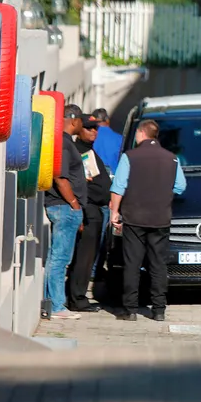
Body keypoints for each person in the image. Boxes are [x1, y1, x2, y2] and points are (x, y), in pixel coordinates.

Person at [110, 119, 187, 322]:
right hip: (161, 218)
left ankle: (131, 310)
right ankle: (159, 309)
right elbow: (180, 186)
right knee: (158, 264)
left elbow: (118, 187)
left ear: (142, 134)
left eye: (137, 134)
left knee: (132, 264)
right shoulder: (172, 158)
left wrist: (114, 212)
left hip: (134, 217)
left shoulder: (130, 157)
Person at [43, 104, 88, 320]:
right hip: (64, 206)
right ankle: (58, 306)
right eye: (82, 121)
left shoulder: (66, 143)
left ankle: (51, 303)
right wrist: (74, 203)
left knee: (58, 257)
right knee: (60, 258)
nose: (83, 124)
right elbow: (60, 177)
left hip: (65, 207)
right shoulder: (63, 143)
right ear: (74, 120)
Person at [67, 116, 111, 312]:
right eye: (89, 128)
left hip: (95, 211)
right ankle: (77, 299)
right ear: (79, 128)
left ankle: (79, 295)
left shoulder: (89, 151)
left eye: (96, 128)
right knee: (83, 258)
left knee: (88, 257)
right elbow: (79, 184)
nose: (94, 131)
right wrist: (81, 212)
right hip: (88, 211)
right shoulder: (78, 151)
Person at [89, 108, 120, 280]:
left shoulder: (90, 137)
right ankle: (98, 267)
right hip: (111, 189)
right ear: (107, 121)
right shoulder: (118, 138)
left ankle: (90, 268)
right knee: (106, 231)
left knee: (91, 231)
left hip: (92, 188)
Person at [91, 107, 123, 173]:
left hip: (94, 178)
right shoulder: (120, 138)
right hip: (114, 177)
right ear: (107, 120)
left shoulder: (90, 137)